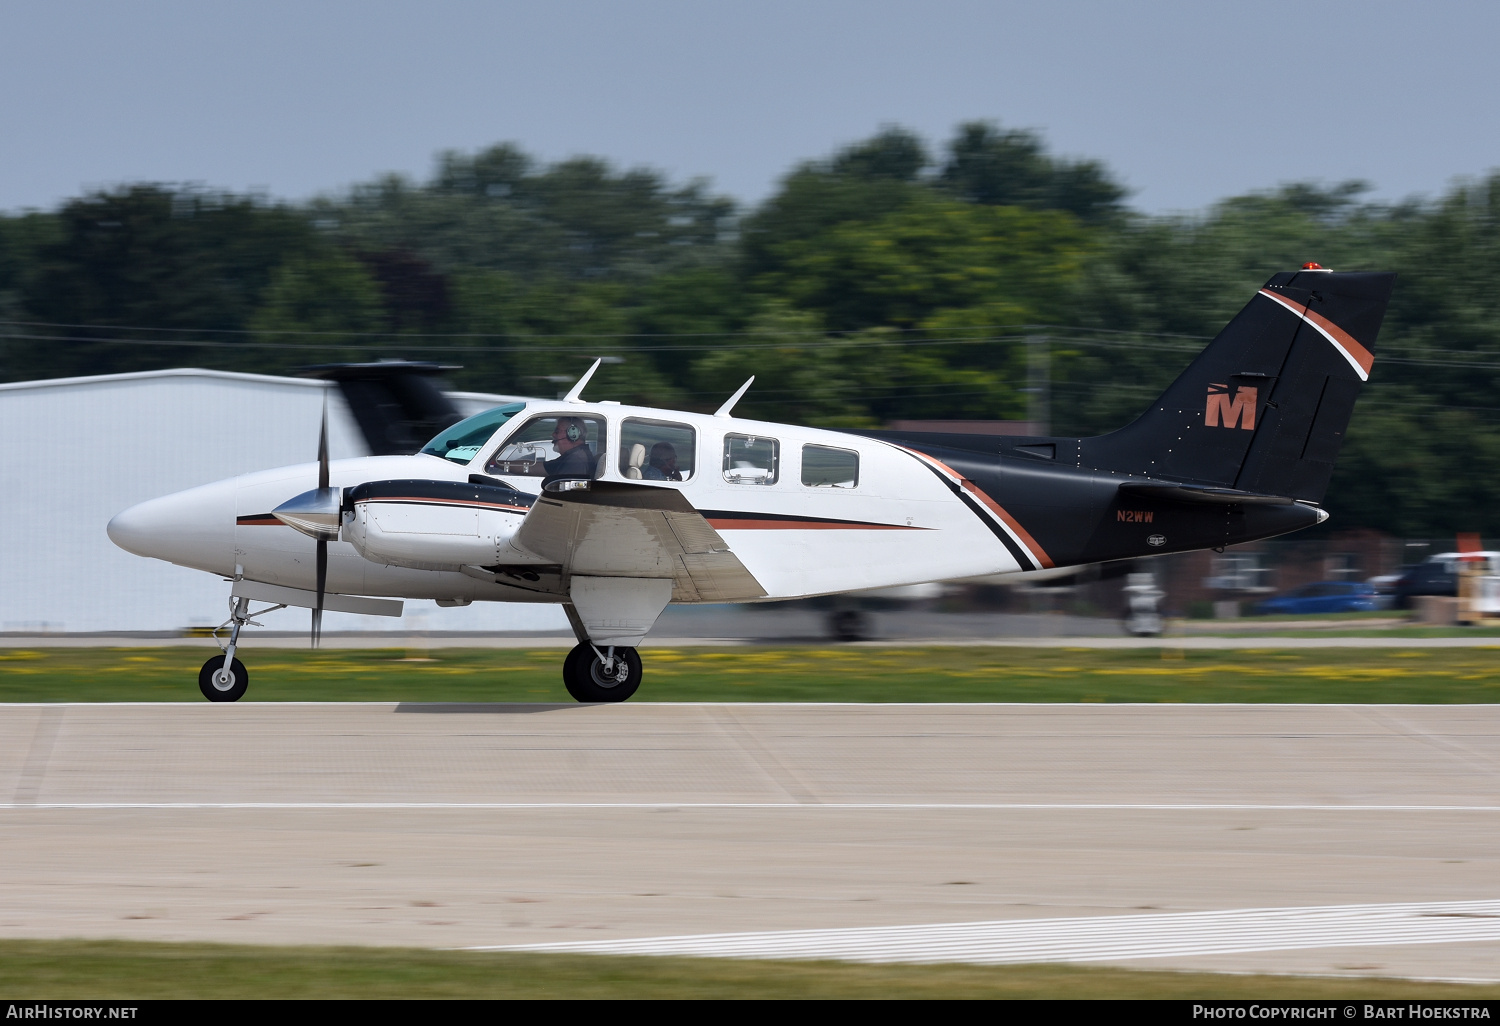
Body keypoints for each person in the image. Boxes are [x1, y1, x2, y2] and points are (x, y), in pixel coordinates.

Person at [542, 417, 595, 482]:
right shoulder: (571, 456)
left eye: (557, 431)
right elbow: (542, 468)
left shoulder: (575, 461)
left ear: (573, 435)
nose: (553, 434)